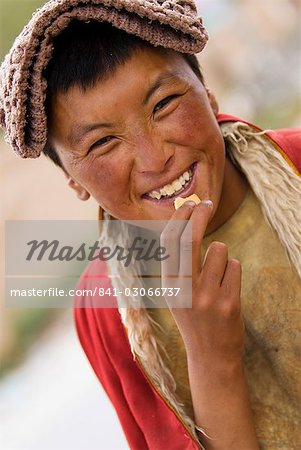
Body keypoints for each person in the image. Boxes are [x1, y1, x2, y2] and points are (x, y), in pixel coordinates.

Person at [1, 1, 300, 449]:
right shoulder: (107, 311)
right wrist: (209, 356)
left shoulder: (295, 165)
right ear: (72, 180)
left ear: (207, 90)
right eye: (103, 143)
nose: (155, 157)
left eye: (164, 104)